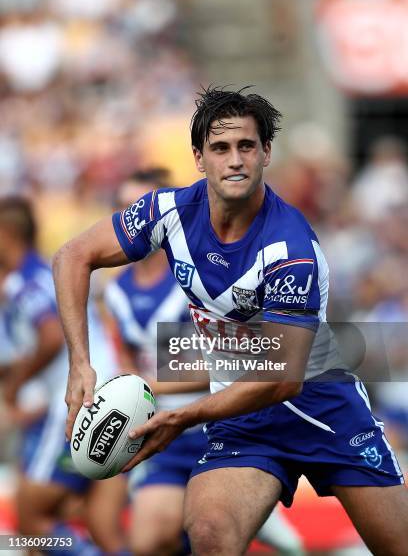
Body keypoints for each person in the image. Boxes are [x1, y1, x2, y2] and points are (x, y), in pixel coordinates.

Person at [53, 87, 408, 556]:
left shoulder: (289, 248)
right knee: (209, 534)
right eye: (220, 148)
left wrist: (181, 416)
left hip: (325, 414)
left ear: (266, 153)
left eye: (246, 146)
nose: (235, 160)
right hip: (244, 422)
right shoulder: (167, 212)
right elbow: (72, 256)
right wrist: (82, 363)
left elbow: (281, 380)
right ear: (199, 158)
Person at [107, 168, 304, 556]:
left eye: (140, 206)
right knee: (148, 543)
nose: (135, 219)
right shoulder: (116, 292)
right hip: (162, 428)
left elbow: (237, 363)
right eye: (122, 207)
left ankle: (255, 511)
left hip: (216, 421)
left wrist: (148, 383)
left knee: (210, 532)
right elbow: (130, 364)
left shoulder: (200, 276)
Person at [0, 196, 126, 555]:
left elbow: (52, 337)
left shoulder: (27, 282)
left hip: (77, 407)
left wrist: (13, 386)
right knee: (97, 523)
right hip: (104, 399)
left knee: (30, 522)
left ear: (7, 234)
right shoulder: (40, 275)